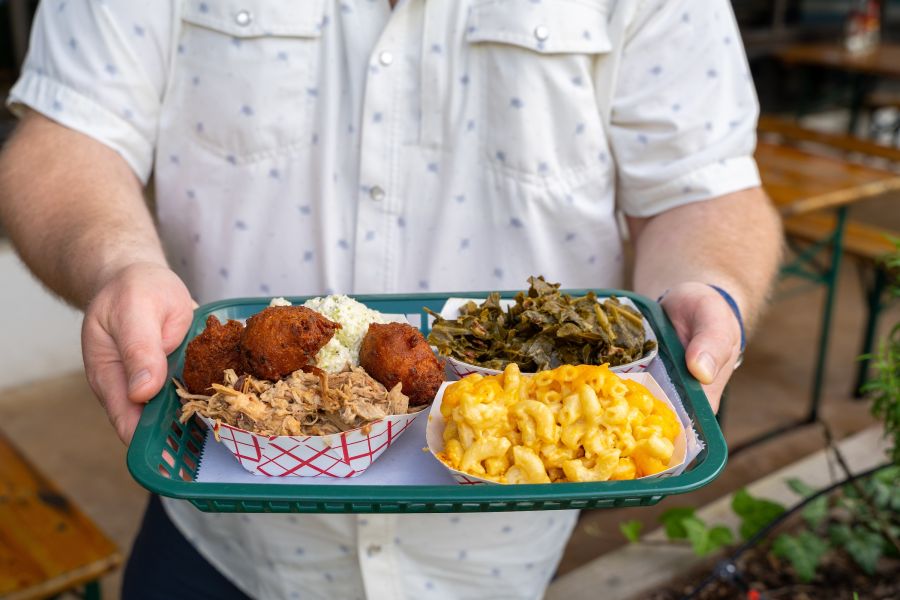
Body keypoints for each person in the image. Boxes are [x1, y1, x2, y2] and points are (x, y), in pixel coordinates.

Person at [0, 0, 782, 598]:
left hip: (501, 552)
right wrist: (117, 267)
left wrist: (706, 289)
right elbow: (65, 136)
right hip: (221, 521)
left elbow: (704, 189)